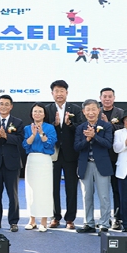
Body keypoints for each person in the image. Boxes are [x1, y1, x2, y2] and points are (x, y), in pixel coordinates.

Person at [46, 80, 82, 230]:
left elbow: (80, 128)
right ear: (52, 93)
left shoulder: (76, 109)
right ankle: (55, 217)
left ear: (67, 93)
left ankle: (70, 219)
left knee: (71, 187)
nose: (59, 94)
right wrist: (54, 124)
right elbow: (43, 128)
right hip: (53, 153)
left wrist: (69, 124)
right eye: (56, 91)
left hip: (70, 153)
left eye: (62, 91)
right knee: (52, 186)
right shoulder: (47, 109)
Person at [75, 99, 114, 233]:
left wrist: (94, 136)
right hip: (85, 164)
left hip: (101, 164)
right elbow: (77, 146)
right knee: (86, 195)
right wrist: (87, 139)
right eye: (88, 110)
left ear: (99, 110)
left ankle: (104, 223)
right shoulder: (80, 128)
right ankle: (89, 223)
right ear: (83, 112)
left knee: (104, 196)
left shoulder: (106, 126)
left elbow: (108, 144)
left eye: (93, 109)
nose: (91, 112)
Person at [0, 95, 23, 232]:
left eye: (6, 104)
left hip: (12, 163)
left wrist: (6, 136)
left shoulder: (17, 122)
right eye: (1, 104)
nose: (3, 106)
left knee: (12, 194)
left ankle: (13, 222)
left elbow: (20, 140)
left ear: (11, 106)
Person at [22, 103, 57, 232]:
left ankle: (44, 221)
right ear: (31, 114)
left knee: (45, 190)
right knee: (31, 190)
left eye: (40, 111)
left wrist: (41, 133)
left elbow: (49, 144)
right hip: (32, 159)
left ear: (44, 114)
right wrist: (33, 134)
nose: (37, 114)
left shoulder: (50, 128)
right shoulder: (27, 128)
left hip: (45, 160)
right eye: (35, 111)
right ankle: (32, 220)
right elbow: (25, 145)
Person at [99, 87, 124, 230]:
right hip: (100, 154)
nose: (107, 99)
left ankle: (117, 218)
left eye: (110, 96)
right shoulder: (95, 112)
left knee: (116, 189)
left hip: (115, 155)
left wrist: (108, 124)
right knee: (102, 190)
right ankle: (104, 217)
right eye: (105, 96)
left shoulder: (120, 113)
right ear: (100, 98)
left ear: (114, 98)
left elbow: (123, 129)